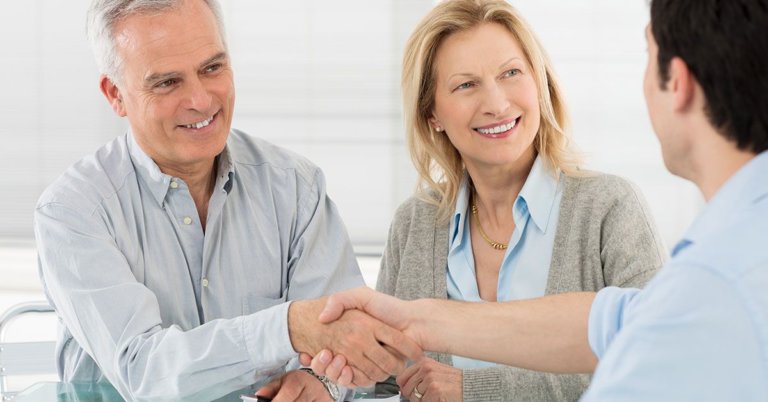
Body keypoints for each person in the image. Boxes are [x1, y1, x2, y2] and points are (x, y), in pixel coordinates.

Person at [310, 0, 768, 400]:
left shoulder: (620, 214)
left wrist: (475, 390)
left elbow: (643, 353)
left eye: (511, 73)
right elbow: (613, 321)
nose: (496, 103)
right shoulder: (415, 221)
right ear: (432, 114)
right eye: (466, 85)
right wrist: (336, 377)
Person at [34, 1, 419, 401]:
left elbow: (348, 348)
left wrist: (319, 381)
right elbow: (145, 372)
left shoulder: (295, 187)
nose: (201, 100)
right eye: (167, 82)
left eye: (212, 68)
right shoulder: (72, 212)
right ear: (116, 95)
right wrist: (288, 327)